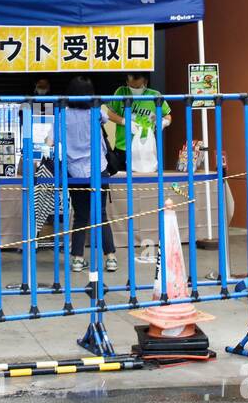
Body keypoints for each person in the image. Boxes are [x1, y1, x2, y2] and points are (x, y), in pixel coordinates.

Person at [64, 75, 118, 273]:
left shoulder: (63, 114)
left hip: (74, 172)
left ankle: (77, 259)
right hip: (98, 168)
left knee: (80, 215)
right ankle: (110, 258)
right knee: (100, 213)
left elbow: (50, 141)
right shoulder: (95, 112)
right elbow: (105, 118)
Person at [104, 71, 171, 158]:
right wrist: (125, 122)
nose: (135, 89)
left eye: (138, 87)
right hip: (123, 146)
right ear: (127, 82)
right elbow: (110, 114)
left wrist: (164, 123)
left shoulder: (155, 95)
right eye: (132, 87)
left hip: (145, 147)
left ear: (145, 82)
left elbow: (167, 116)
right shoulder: (121, 92)